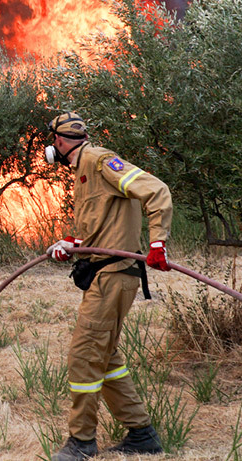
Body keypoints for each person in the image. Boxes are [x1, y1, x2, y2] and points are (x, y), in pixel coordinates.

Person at [44, 111, 172, 461]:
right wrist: (71, 243)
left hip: (115, 274)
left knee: (84, 356)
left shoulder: (100, 161)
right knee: (106, 356)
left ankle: (81, 442)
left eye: (52, 140)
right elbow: (96, 225)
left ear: (57, 141)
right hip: (103, 272)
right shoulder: (84, 171)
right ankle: (142, 434)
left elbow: (157, 191)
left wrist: (158, 243)